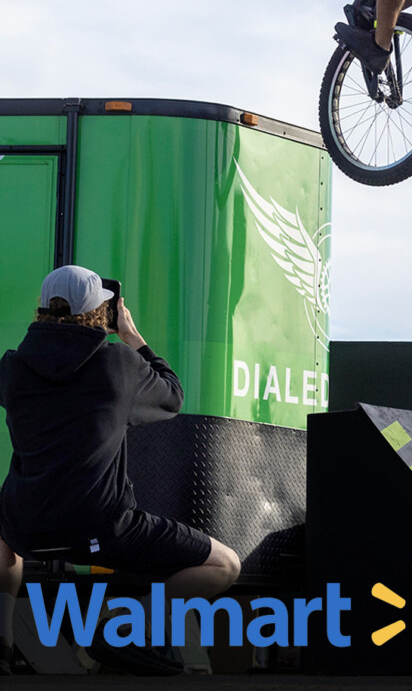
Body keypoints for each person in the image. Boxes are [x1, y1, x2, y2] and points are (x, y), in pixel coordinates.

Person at [0, 266, 241, 675]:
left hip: (28, 527)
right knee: (225, 565)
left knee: (4, 535)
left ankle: (2, 641)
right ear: (100, 312)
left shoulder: (11, 369)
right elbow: (172, 397)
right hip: (103, 529)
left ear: (42, 309)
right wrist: (131, 337)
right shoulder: (118, 364)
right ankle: (120, 625)